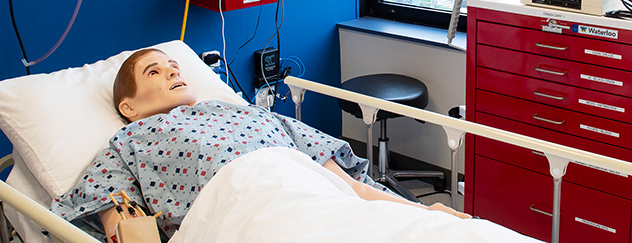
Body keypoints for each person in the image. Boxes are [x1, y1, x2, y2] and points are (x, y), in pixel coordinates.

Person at [51, 48, 468, 242]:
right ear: (129, 106)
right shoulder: (132, 139)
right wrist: (118, 229)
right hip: (236, 211)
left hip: (311, 196)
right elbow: (110, 205)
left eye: (175, 66)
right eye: (154, 72)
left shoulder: (247, 112)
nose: (172, 73)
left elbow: (348, 187)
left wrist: (422, 212)